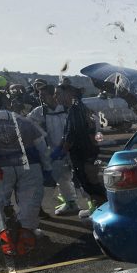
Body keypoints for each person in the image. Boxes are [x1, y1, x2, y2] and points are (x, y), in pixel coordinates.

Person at [0, 90, 53, 255]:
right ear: (5, 103)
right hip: (29, 166)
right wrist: (47, 168)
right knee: (30, 201)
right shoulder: (24, 120)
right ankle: (27, 235)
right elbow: (42, 147)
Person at [28, 84, 82, 216]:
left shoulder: (69, 108)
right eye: (39, 96)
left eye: (44, 95)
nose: (41, 98)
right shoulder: (39, 111)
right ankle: (71, 203)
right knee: (60, 178)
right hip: (54, 152)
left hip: (74, 149)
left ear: (54, 95)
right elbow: (27, 125)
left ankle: (95, 204)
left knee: (81, 177)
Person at [56, 83, 106, 219]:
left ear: (69, 94)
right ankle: (99, 208)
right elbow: (68, 132)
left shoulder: (76, 109)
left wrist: (62, 151)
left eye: (58, 93)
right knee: (89, 181)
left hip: (83, 151)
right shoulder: (77, 107)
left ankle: (101, 210)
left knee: (89, 182)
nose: (56, 97)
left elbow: (72, 134)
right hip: (86, 150)